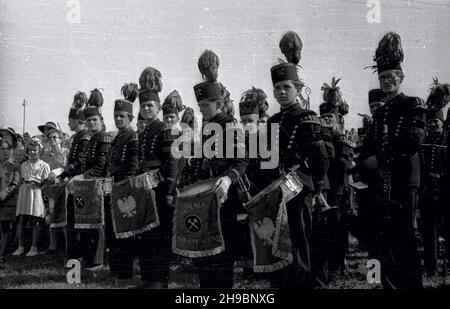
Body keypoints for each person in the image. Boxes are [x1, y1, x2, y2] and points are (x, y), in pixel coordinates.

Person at [361, 32, 426, 289]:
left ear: (401, 78)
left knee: (405, 236)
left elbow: (413, 141)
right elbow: (368, 145)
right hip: (380, 182)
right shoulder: (381, 113)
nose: (387, 81)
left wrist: (381, 158)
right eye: (383, 77)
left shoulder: (414, 105)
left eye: (391, 77)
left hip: (403, 180)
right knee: (384, 237)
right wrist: (367, 160)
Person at [267, 61, 329, 288]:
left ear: (297, 90)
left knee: (299, 242)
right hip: (277, 190)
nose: (282, 92)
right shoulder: (273, 121)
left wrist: (317, 188)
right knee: (281, 243)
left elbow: (320, 158)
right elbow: (268, 160)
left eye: (287, 87)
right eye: (278, 88)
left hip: (299, 190)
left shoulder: (307, 117)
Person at [190, 79, 248, 288]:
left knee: (223, 250)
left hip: (226, 196)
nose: (202, 109)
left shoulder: (230, 123)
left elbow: (241, 161)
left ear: (218, 103)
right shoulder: (206, 127)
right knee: (206, 248)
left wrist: (228, 177)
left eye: (205, 105)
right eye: (200, 106)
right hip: (206, 194)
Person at [133, 67, 180, 288]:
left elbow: (171, 164)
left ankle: (160, 279)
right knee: (145, 234)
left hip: (160, 189)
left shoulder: (165, 130)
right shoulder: (142, 133)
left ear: (159, 107)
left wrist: (169, 191)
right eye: (143, 106)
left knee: (160, 236)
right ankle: (148, 276)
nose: (146, 109)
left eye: (150, 105)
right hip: (143, 189)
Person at [77, 89, 111, 269]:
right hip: (89, 185)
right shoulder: (92, 138)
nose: (91, 122)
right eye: (89, 120)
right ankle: (90, 258)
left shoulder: (103, 137)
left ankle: (97, 261)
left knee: (97, 224)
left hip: (99, 185)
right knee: (89, 223)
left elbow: (100, 166)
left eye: (94, 120)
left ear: (101, 121)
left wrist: (82, 176)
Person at [419, 78, 449, 276]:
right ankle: (430, 267)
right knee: (429, 232)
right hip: (427, 191)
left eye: (435, 122)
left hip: (446, 190)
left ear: (442, 123)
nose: (432, 125)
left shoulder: (447, 142)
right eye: (429, 122)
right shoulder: (423, 142)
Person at [13, 139, 50, 257]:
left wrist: (35, 180)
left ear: (40, 151)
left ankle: (34, 247)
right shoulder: (24, 165)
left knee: (36, 219)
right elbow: (20, 180)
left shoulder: (44, 165)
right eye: (30, 150)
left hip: (37, 193)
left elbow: (47, 183)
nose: (32, 152)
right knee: (22, 219)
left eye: (35, 150)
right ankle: (21, 246)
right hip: (25, 193)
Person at [41, 128, 70, 252]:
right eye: (50, 138)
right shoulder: (45, 155)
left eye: (54, 137)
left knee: (64, 216)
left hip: (64, 187)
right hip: (50, 189)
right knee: (51, 215)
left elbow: (70, 169)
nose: (52, 140)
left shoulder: (66, 153)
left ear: (60, 139)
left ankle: (68, 245)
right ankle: (53, 245)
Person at [0, 135, 20, 262]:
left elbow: (15, 185)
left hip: (8, 204)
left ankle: (1, 254)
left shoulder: (15, 167)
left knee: (4, 230)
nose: (5, 151)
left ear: (12, 150)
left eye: (8, 148)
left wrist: (3, 194)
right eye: (2, 149)